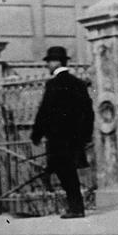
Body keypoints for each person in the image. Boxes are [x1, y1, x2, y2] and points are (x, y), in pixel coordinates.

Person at [30, 46, 95, 219]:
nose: (48, 65)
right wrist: (85, 135)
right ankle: (76, 206)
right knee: (68, 171)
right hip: (75, 138)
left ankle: (76, 208)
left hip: (58, 138)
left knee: (64, 172)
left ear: (57, 62)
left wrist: (37, 133)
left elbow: (44, 111)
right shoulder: (78, 83)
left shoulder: (53, 84)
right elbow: (88, 111)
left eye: (49, 61)